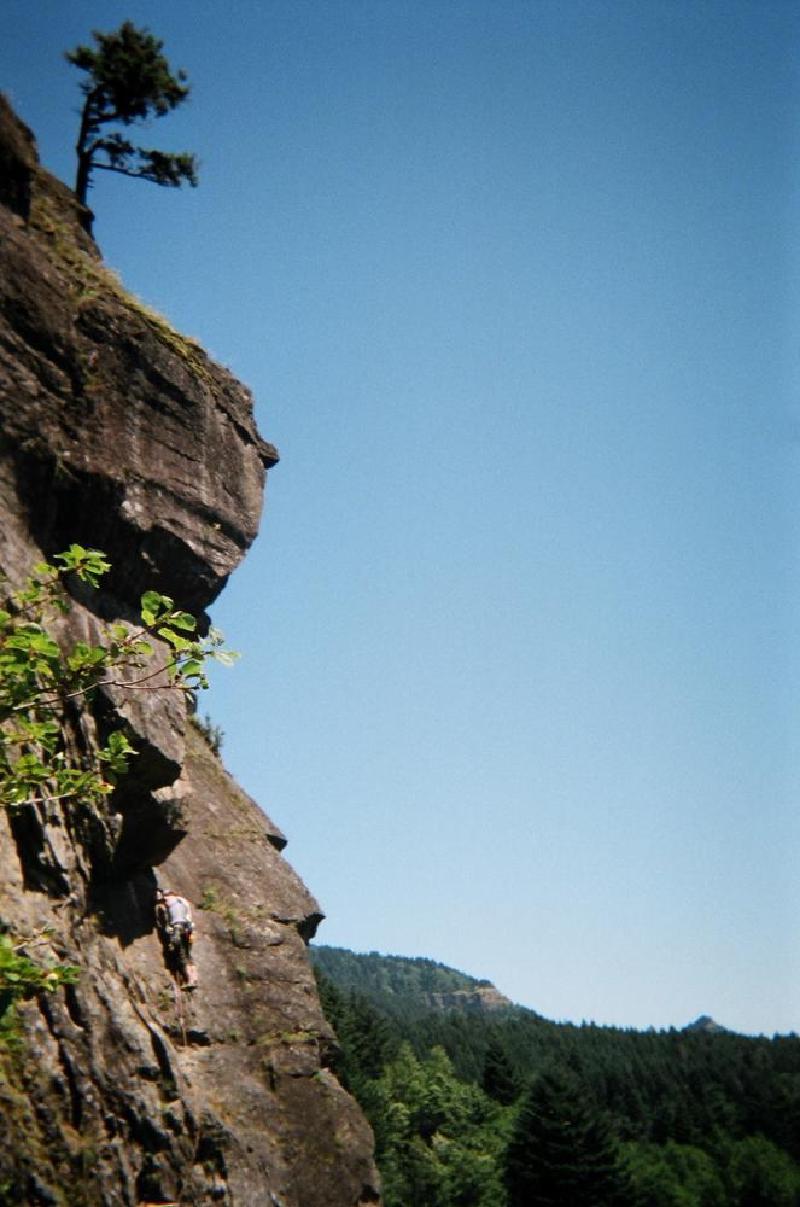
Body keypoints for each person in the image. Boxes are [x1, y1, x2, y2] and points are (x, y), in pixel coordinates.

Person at [156, 888, 197, 990]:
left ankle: (190, 980)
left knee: (182, 955)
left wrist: (176, 934)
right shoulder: (182, 901)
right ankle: (194, 978)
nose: (165, 901)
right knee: (188, 955)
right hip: (188, 931)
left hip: (180, 930)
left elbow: (177, 920)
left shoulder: (173, 902)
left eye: (165, 898)